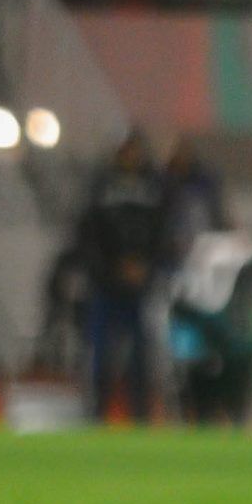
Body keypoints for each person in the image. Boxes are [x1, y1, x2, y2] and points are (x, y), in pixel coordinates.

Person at [73, 129, 167, 425]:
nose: (130, 156)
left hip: (140, 288)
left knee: (140, 358)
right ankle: (97, 414)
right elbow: (88, 236)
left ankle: (139, 416)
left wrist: (146, 269)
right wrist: (110, 269)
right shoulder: (101, 186)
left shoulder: (154, 187)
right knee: (101, 355)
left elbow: (161, 235)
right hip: (105, 285)